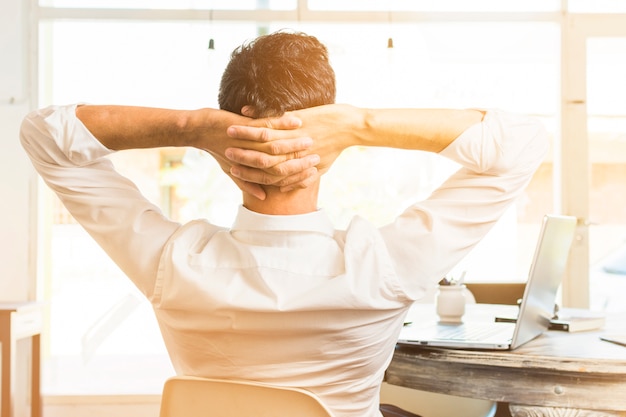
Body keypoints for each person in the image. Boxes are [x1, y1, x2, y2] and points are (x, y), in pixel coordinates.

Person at [20, 30, 548, 417]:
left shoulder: (172, 264)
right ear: (329, 139)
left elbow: (45, 134)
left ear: (226, 138)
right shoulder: (383, 266)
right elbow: (522, 142)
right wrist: (357, 125)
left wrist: (193, 126)